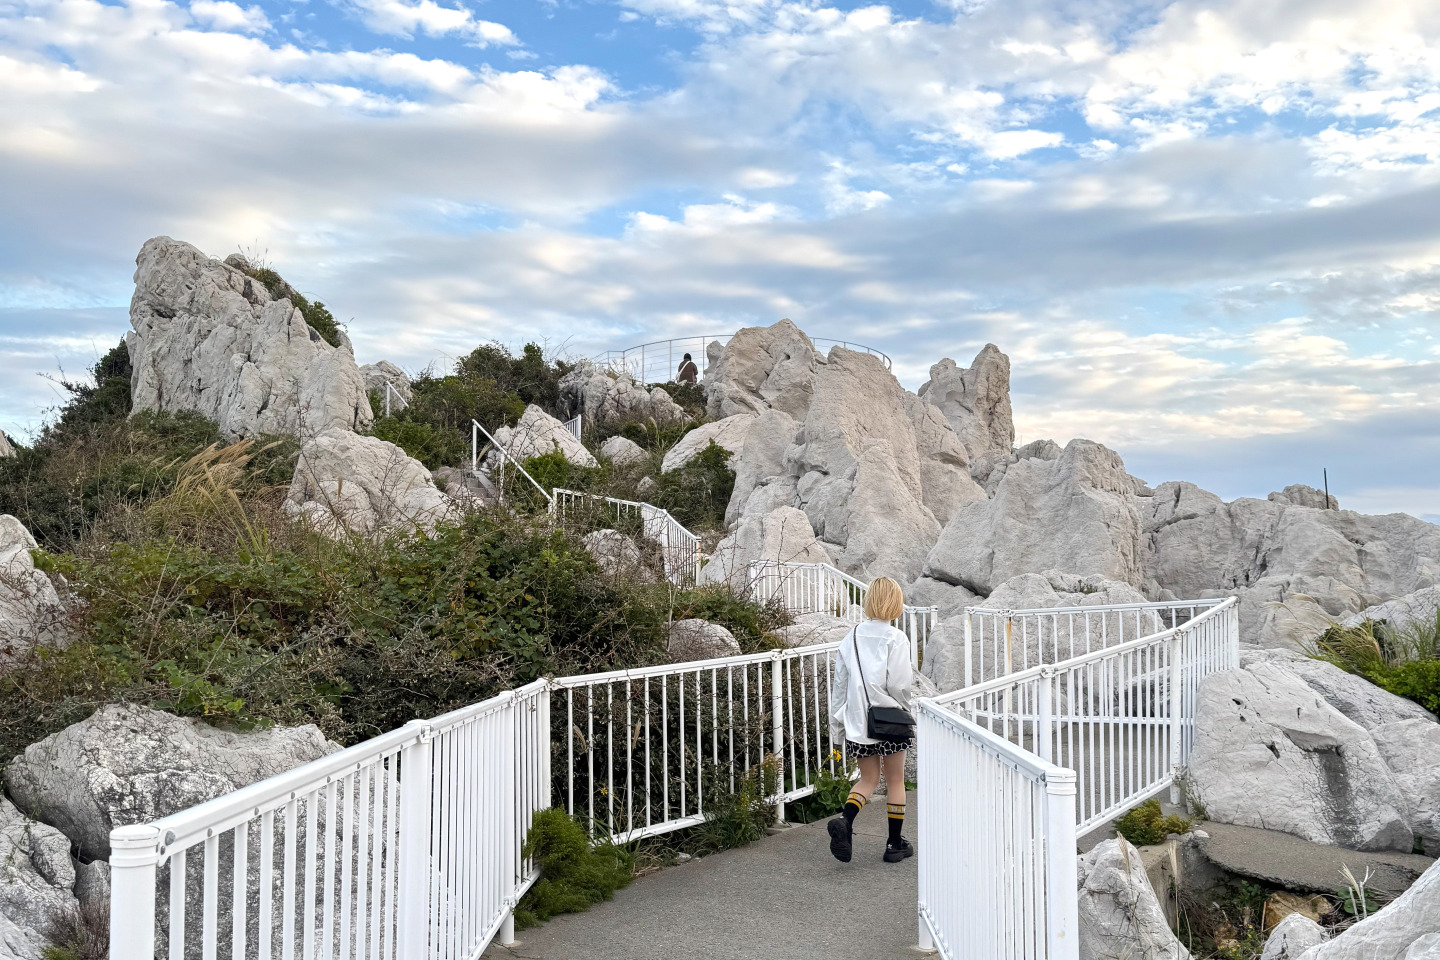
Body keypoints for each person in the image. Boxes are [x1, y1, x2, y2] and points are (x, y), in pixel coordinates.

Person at [826, 576, 915, 864]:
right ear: (896, 603)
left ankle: (846, 822)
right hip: (889, 720)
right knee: (895, 781)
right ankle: (893, 844)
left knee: (867, 779)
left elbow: (840, 685)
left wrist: (838, 724)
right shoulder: (896, 638)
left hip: (857, 723)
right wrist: (905, 709)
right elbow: (900, 685)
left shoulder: (850, 638)